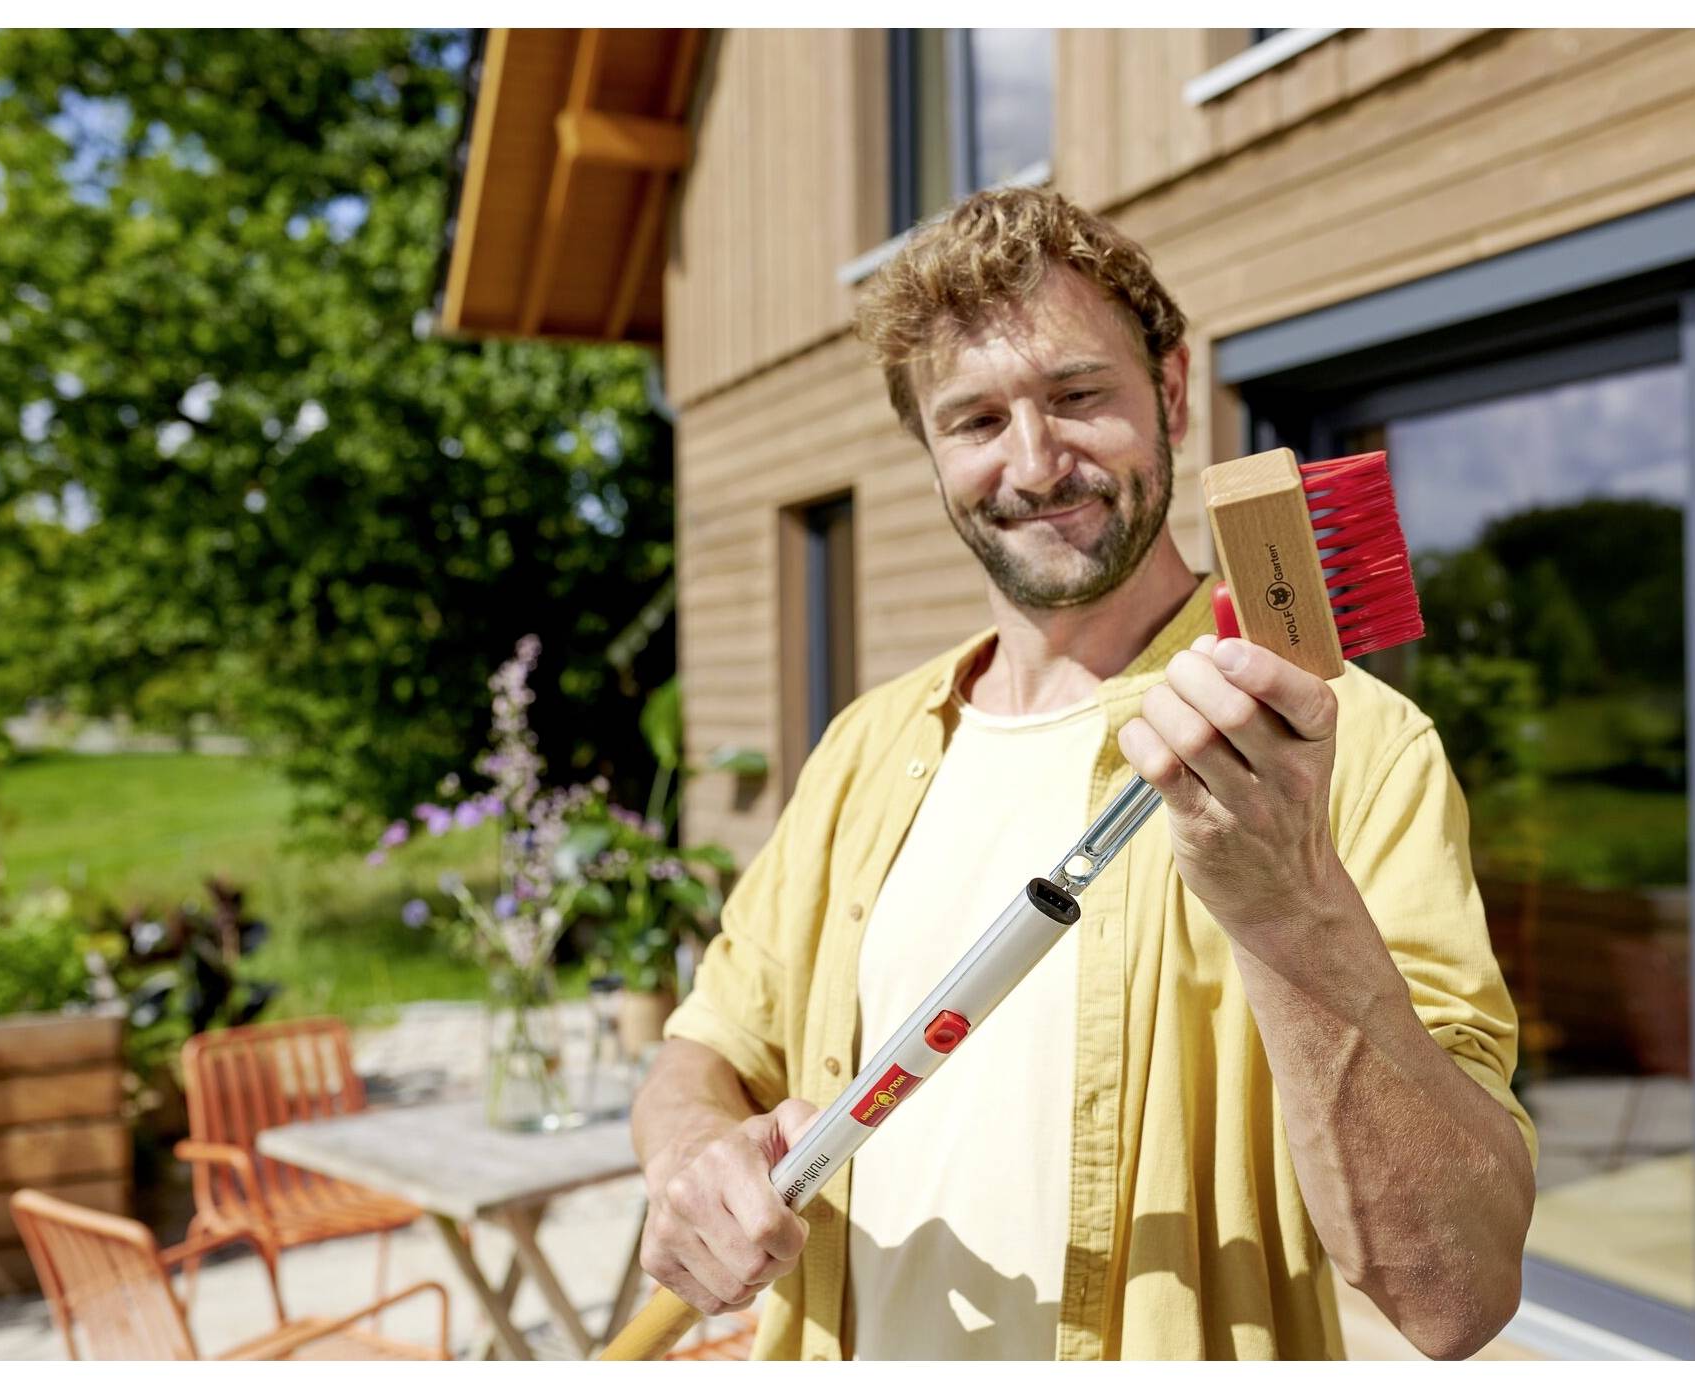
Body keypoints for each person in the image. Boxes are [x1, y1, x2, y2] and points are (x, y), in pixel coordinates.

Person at [630, 186, 1536, 1361]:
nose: (1035, 461)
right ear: (930, 448)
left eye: (1076, 395)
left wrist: (1289, 903)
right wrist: (690, 1156)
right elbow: (704, 1048)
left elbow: (1457, 1288)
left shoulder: (1344, 746)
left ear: (1168, 389)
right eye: (975, 421)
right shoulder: (864, 748)